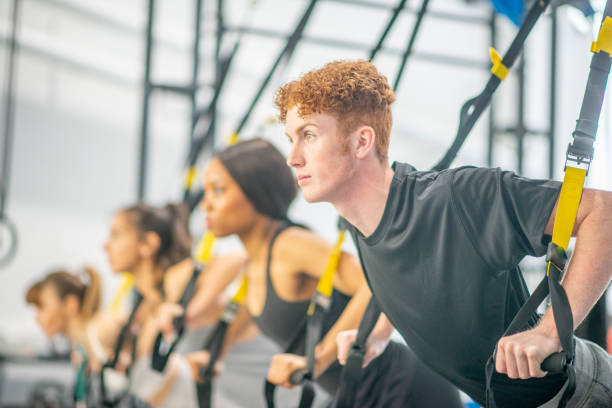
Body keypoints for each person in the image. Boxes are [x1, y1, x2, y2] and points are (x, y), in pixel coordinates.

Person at [275, 59, 612, 407]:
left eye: (309, 135)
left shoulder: (460, 197)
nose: (293, 157)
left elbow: (604, 215)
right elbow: (413, 271)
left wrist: (550, 333)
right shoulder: (361, 220)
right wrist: (377, 335)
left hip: (578, 394)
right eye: (291, 139)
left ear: (362, 142)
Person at [186, 138, 462, 407]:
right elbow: (252, 309)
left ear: (255, 192)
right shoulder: (255, 259)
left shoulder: (289, 244)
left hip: (402, 389)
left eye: (218, 190)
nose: (205, 204)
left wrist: (316, 359)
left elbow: (375, 282)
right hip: (354, 395)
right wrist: (215, 355)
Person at [26, 266, 102, 406]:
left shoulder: (95, 345)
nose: (36, 317)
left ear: (70, 305)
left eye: (42, 307)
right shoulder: (79, 352)